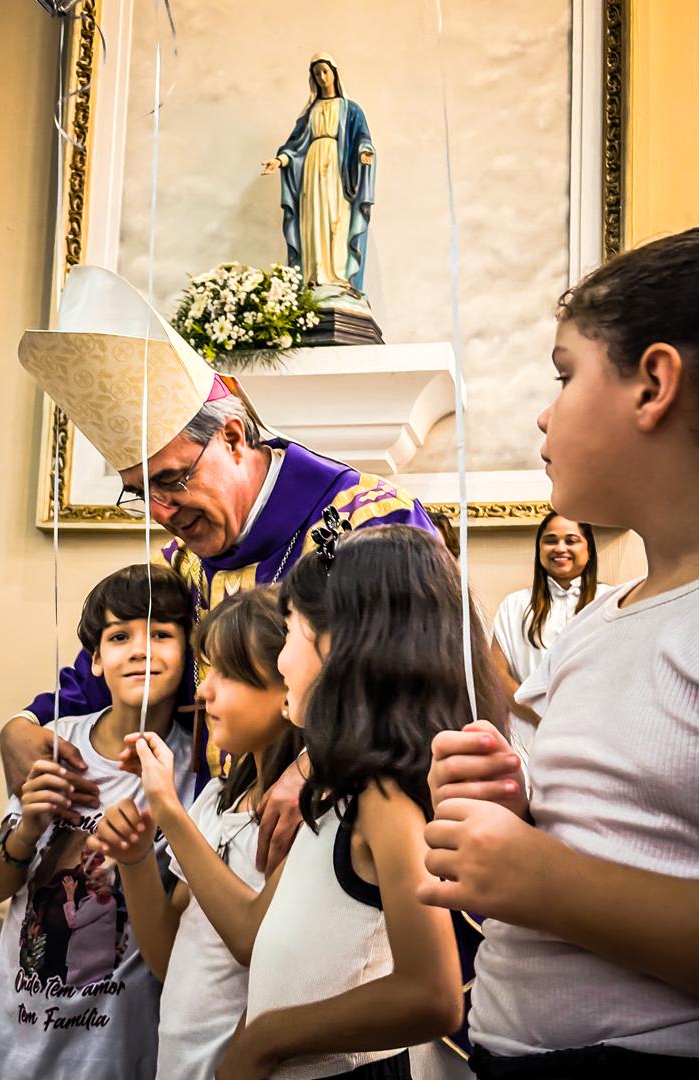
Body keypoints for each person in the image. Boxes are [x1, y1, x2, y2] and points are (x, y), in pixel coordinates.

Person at [8, 264, 436, 871]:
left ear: (233, 437)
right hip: (221, 832)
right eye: (141, 493)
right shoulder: (185, 562)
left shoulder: (369, 520)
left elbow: (421, 677)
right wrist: (27, 722)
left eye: (171, 479)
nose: (162, 512)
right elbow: (122, 664)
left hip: (358, 840)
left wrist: (311, 766)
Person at [421, 228, 699, 1079]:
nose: (545, 413)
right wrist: (513, 802)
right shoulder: (595, 623)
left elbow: (559, 876)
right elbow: (610, 822)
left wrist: (542, 882)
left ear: (652, 384)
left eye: (564, 374)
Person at [120, 524, 505, 1080]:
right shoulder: (329, 791)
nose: (281, 661)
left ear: (342, 645)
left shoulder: (383, 798)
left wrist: (265, 1040)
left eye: (292, 632)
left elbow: (432, 994)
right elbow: (256, 937)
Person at [0, 564, 196, 1080]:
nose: (140, 651)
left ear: (188, 653)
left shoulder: (196, 770)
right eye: (119, 637)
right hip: (9, 1053)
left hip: (116, 1057)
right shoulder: (57, 743)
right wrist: (28, 828)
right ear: (94, 660)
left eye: (161, 634)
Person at [87, 588, 302, 1080]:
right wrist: (136, 860)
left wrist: (168, 810)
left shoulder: (304, 815)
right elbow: (168, 957)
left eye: (228, 674)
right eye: (207, 672)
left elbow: (250, 941)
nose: (204, 693)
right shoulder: (218, 799)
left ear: (290, 686)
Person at [490, 511, 608, 761]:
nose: (560, 548)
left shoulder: (611, 601)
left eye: (571, 540)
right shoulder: (514, 605)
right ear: (539, 549)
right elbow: (497, 673)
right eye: (551, 540)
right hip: (528, 735)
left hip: (598, 735)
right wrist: (537, 714)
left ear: (589, 549)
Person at [261, 53, 375, 299]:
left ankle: (339, 277)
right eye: (317, 73)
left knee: (337, 218)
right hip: (312, 170)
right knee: (313, 219)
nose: (322, 77)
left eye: (325, 71)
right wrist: (279, 161)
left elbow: (362, 137)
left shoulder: (350, 109)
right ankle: (315, 276)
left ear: (334, 72)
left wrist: (364, 152)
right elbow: (295, 146)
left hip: (338, 171)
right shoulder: (310, 112)